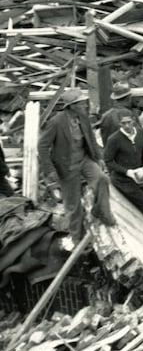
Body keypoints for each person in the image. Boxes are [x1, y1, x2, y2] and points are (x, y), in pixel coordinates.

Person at [38, 87, 113, 243]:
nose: (85, 105)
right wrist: (49, 169)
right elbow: (42, 146)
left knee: (102, 179)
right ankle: (77, 238)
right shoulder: (56, 122)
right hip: (67, 165)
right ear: (71, 106)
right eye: (80, 103)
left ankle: (102, 211)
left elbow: (91, 138)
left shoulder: (83, 117)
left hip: (84, 159)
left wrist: (98, 158)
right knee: (73, 205)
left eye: (84, 102)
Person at [103, 111, 143, 239]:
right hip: (123, 179)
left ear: (133, 120)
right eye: (123, 123)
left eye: (129, 122)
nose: (127, 126)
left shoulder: (141, 133)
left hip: (142, 173)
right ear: (119, 124)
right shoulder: (114, 139)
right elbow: (108, 161)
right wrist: (127, 172)